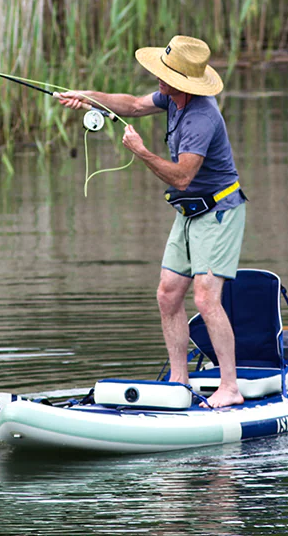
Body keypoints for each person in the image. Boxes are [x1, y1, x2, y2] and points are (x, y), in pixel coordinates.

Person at [55, 35, 247, 408]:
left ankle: (230, 387)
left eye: (166, 74)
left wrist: (141, 152)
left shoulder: (201, 119)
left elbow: (181, 178)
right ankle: (179, 380)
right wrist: (89, 96)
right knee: (168, 294)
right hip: (188, 212)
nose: (158, 78)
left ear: (184, 82)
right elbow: (131, 104)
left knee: (206, 298)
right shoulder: (171, 97)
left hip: (220, 211)